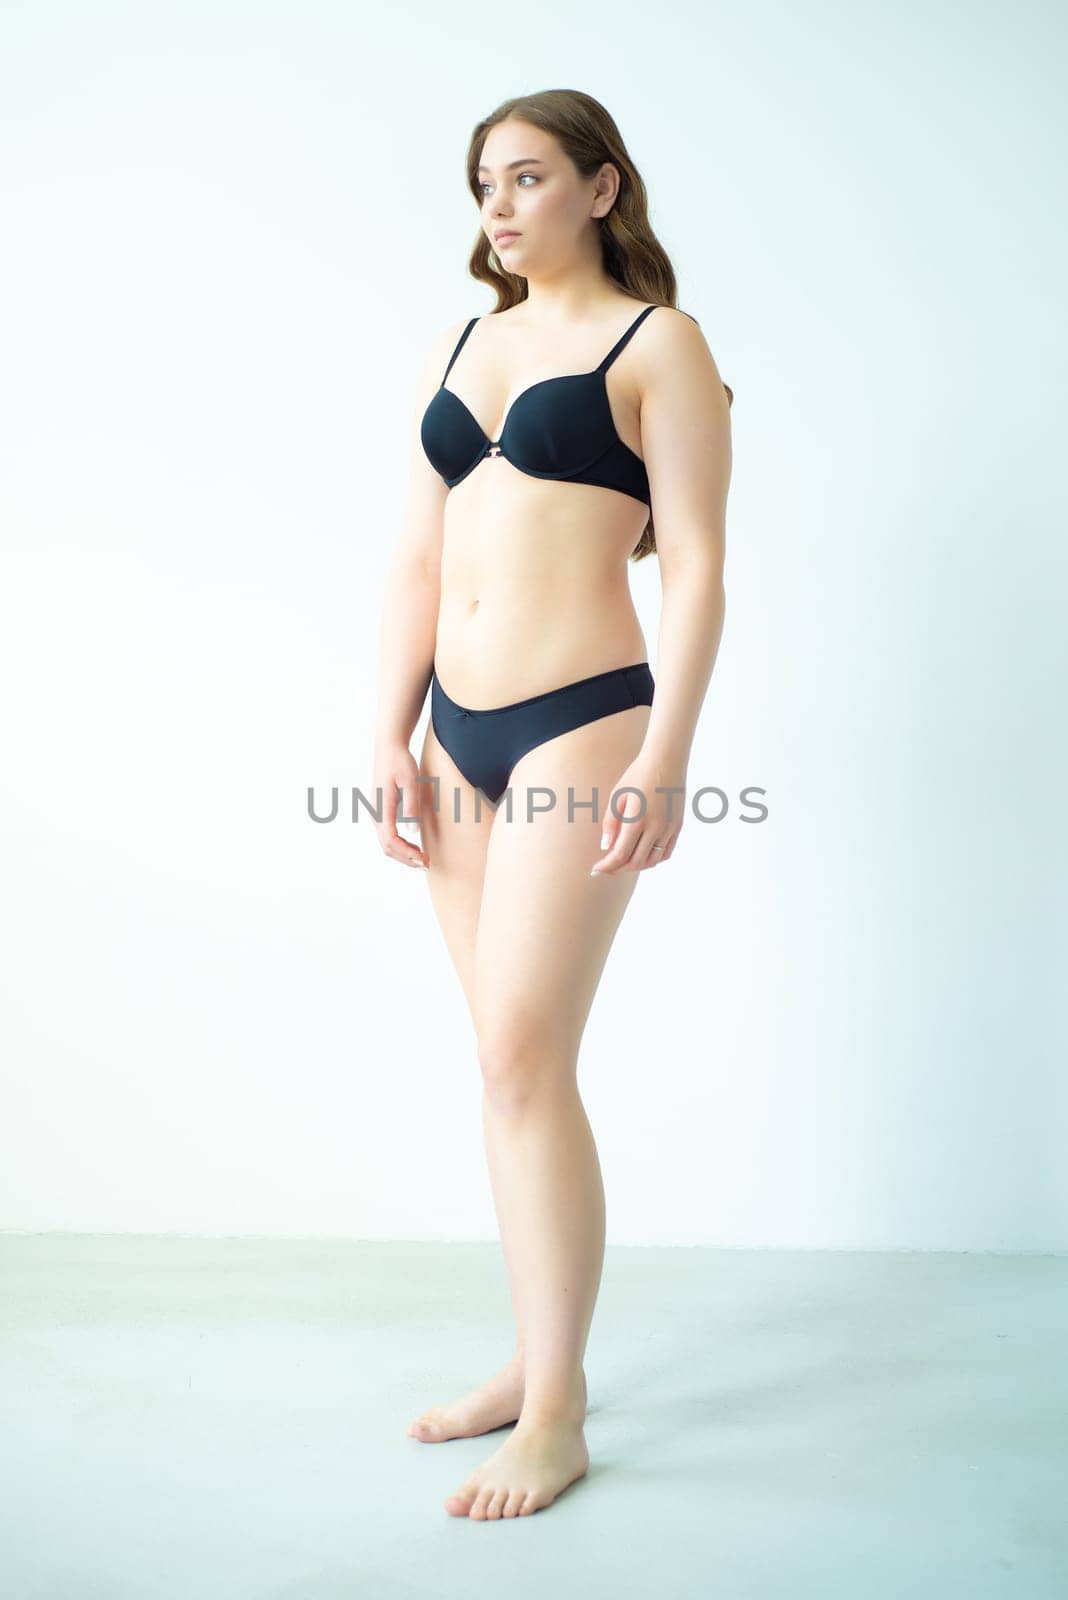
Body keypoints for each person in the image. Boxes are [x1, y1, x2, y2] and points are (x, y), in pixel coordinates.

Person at [372, 88, 733, 1520]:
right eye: (482, 186)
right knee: (508, 1066)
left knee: (526, 1049)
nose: (500, 210)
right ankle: (533, 1363)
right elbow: (416, 558)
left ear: (601, 185)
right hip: (454, 739)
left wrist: (670, 757)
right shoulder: (473, 339)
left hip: (586, 724)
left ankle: (562, 1408)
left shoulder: (663, 348)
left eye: (527, 178)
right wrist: (387, 734)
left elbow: (695, 566)